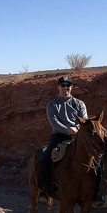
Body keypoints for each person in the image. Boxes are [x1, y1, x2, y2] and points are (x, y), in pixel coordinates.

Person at [36, 76, 88, 204]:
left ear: (72, 87)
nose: (65, 87)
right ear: (58, 87)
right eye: (63, 85)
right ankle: (43, 189)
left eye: (68, 85)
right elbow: (53, 121)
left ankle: (99, 192)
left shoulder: (79, 104)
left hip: (78, 135)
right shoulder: (52, 105)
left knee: (96, 155)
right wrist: (67, 129)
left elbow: (84, 119)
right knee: (47, 156)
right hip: (59, 136)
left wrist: (76, 128)